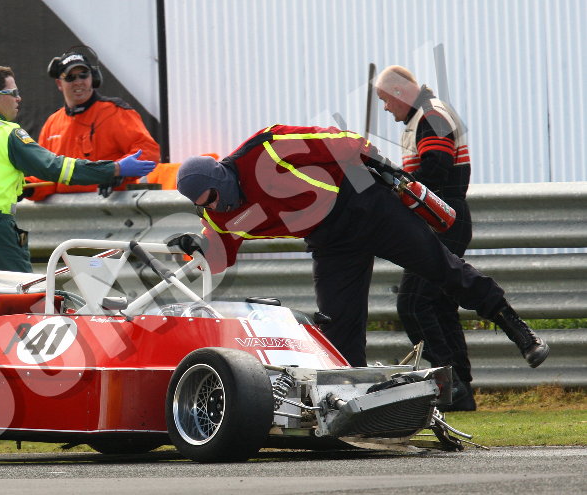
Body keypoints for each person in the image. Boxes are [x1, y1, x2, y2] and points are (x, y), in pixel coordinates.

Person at [175, 124, 549, 374]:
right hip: (330, 240)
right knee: (339, 326)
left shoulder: (267, 149)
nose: (214, 206)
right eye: (203, 205)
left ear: (220, 176)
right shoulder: (218, 217)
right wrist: (195, 249)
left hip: (366, 204)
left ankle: (518, 330)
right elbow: (219, 259)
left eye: (213, 197)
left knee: (442, 268)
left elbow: (343, 139)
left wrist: (382, 167)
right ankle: (352, 407)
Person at [0, 63, 156, 319]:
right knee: (23, 311)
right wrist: (114, 169)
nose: (19, 98)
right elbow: (56, 168)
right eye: (13, 93)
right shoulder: (5, 133)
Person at [375, 65, 475, 411]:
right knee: (440, 305)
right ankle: (460, 390)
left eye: (385, 100)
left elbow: (435, 168)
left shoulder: (430, 116)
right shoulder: (428, 114)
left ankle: (451, 385)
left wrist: (392, 185)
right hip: (446, 218)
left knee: (413, 304)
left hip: (442, 219)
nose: (386, 108)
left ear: (399, 93)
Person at [27, 47, 161, 201]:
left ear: (93, 77)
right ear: (59, 83)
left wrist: (117, 172)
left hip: (111, 208)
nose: (78, 82)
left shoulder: (115, 112)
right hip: (67, 213)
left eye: (83, 75)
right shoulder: (52, 123)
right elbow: (44, 176)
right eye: (70, 77)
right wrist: (26, 189)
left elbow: (148, 151)